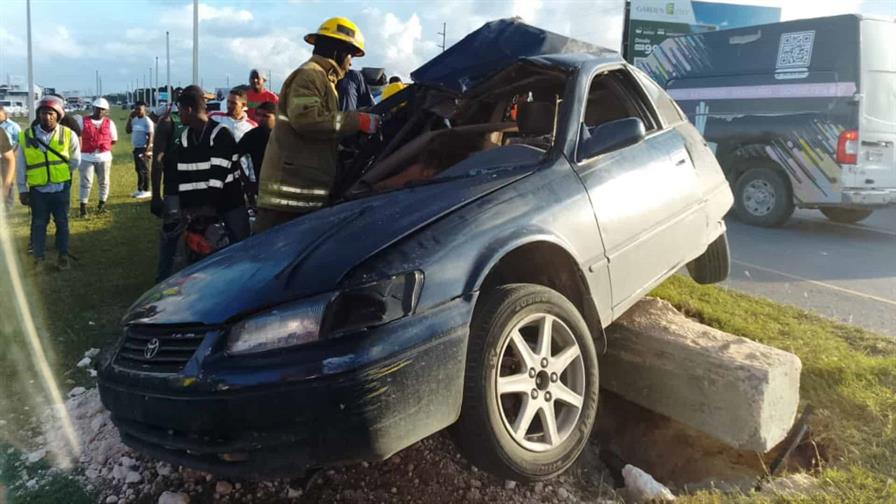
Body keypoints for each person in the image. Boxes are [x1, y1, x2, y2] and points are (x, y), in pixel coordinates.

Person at [256, 16, 381, 231]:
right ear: (338, 51)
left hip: (299, 196)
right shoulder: (310, 76)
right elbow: (307, 120)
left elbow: (321, 128)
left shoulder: (324, 80)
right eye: (350, 54)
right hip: (288, 199)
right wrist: (357, 121)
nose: (350, 62)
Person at [153, 85, 248, 282]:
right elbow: (184, 176)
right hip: (201, 207)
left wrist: (200, 211)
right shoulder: (187, 137)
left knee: (241, 249)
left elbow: (216, 179)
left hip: (229, 203)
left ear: (188, 109)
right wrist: (187, 209)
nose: (179, 114)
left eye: (180, 110)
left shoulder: (220, 134)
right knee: (199, 254)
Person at [15, 95, 81, 270]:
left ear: (58, 115)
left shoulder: (68, 134)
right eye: (43, 113)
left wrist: (62, 175)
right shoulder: (26, 136)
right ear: (38, 115)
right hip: (38, 191)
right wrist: (22, 189)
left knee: (62, 222)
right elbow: (20, 165)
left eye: (51, 113)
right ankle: (39, 258)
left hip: (60, 188)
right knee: (38, 224)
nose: (47, 117)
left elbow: (75, 160)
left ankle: (63, 255)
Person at [76, 97, 117, 217]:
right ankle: (83, 207)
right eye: (98, 109)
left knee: (104, 181)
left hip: (104, 157)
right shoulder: (83, 121)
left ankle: (101, 204)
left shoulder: (110, 123)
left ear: (106, 111)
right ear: (93, 108)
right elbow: (77, 137)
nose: (100, 112)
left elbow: (113, 140)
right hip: (86, 157)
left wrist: (103, 148)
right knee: (86, 182)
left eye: (103, 110)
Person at [237, 101, 275, 208]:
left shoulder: (286, 135)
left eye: (266, 116)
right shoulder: (252, 136)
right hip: (263, 190)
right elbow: (234, 157)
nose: (260, 119)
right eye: (258, 115)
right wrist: (246, 182)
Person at [125, 101, 154, 198]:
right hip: (136, 148)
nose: (137, 111)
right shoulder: (135, 120)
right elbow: (128, 130)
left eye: (139, 109)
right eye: (136, 109)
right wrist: (130, 118)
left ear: (144, 110)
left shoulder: (147, 121)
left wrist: (147, 150)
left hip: (144, 149)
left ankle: (147, 190)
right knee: (138, 169)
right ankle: (140, 189)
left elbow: (150, 136)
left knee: (144, 170)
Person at [0, 106, 21, 208]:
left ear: (4, 113)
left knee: (7, 180)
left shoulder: (14, 126)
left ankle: (7, 204)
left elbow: (19, 141)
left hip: (6, 156)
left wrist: (14, 153)